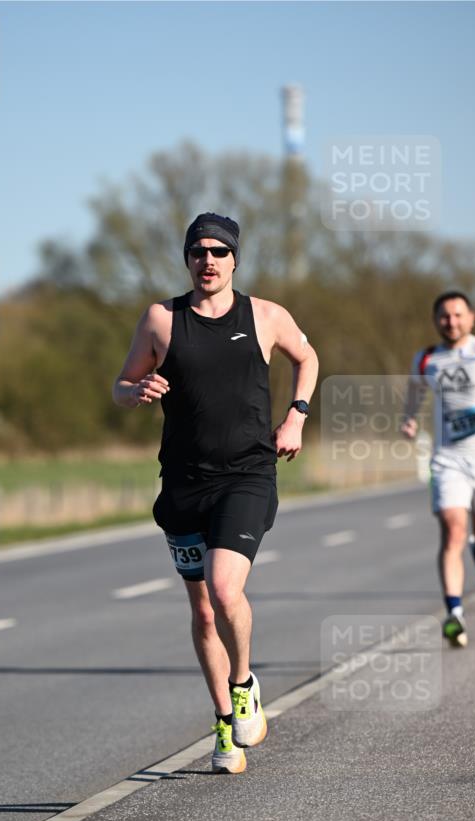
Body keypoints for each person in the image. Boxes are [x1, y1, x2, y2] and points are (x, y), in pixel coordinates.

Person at [113, 213, 318, 772]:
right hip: (183, 482)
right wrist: (137, 389)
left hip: (247, 474)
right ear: (187, 258)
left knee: (225, 589)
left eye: (219, 251)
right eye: (198, 251)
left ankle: (244, 683)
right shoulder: (162, 319)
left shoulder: (266, 315)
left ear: (234, 259)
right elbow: (120, 384)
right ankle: (225, 724)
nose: (208, 260)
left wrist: (296, 416)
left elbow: (308, 358)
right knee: (204, 614)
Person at [401, 290, 475, 647]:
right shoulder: (426, 359)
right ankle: (455, 614)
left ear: (471, 317)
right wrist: (409, 419)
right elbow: (414, 393)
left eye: (457, 315)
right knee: (452, 532)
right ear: (436, 320)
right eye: (444, 316)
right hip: (448, 460)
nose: (451, 321)